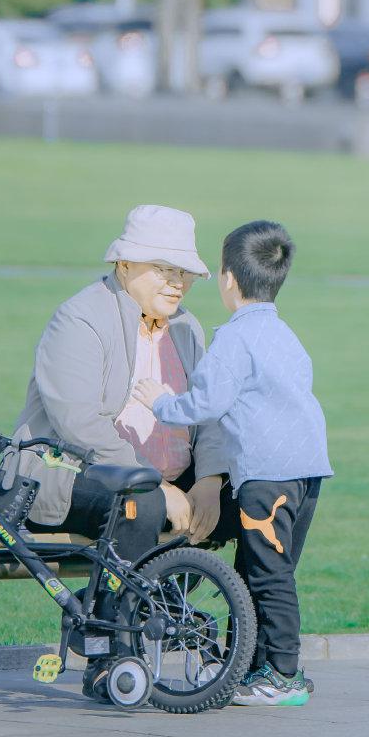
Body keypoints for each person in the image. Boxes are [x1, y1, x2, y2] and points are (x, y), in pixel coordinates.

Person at [12, 204, 228, 700]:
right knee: (142, 505)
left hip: (168, 481)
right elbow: (77, 424)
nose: (178, 283)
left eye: (185, 273)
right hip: (70, 478)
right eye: (165, 270)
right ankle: (111, 654)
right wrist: (161, 486)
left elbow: (211, 414)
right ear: (125, 265)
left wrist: (211, 481)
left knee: (254, 494)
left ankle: (256, 662)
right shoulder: (81, 318)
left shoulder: (186, 328)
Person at [136, 219, 331, 707]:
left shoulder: (234, 339)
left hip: (266, 478)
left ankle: (284, 675)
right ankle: (251, 668)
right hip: (307, 472)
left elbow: (205, 404)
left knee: (267, 576)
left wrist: (160, 401)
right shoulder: (286, 335)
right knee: (261, 568)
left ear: (227, 278)